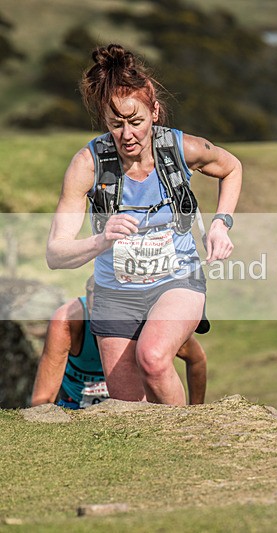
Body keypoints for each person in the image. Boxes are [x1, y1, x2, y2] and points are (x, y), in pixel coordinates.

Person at [46, 44, 241, 405]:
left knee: (152, 358)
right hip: (114, 293)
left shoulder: (181, 149)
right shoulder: (88, 164)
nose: (127, 134)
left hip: (177, 281)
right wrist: (100, 241)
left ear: (154, 111)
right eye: (115, 124)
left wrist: (220, 225)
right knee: (128, 407)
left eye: (135, 122)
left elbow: (231, 167)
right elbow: (56, 253)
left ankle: (187, 442)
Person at [30, 276, 208, 409]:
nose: (101, 301)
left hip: (133, 412)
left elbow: (197, 359)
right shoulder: (69, 321)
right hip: (74, 408)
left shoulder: (147, 323)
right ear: (87, 294)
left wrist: (195, 411)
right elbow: (42, 399)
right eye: (95, 293)